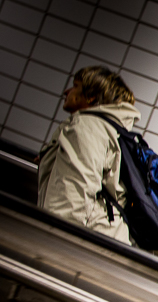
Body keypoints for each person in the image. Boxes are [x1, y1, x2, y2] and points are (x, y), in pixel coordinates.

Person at [37, 66, 141, 243]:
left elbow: (75, 188)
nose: (67, 91)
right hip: (108, 236)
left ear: (91, 96)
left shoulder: (86, 126)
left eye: (75, 86)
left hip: (88, 239)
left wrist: (54, 237)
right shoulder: (112, 129)